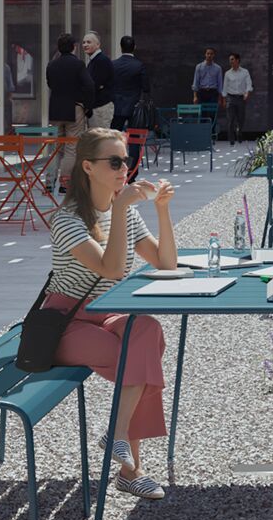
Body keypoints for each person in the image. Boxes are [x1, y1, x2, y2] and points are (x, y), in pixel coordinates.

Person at [40, 129, 178, 499]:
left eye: (127, 160)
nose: (124, 169)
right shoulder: (67, 220)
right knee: (140, 359)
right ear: (88, 166)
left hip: (107, 314)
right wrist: (121, 207)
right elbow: (113, 269)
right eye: (114, 162)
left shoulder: (126, 215)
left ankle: (117, 435)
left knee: (147, 330)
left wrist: (162, 210)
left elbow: (166, 262)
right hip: (66, 322)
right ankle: (130, 470)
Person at [43, 33, 90, 138]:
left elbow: (50, 84)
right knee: (72, 144)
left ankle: (57, 155)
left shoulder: (51, 65)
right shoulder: (79, 64)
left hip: (56, 109)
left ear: (58, 48)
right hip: (74, 107)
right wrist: (88, 106)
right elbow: (88, 85)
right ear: (74, 47)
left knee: (58, 144)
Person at [110, 34, 148, 130]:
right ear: (134, 47)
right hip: (134, 106)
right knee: (134, 137)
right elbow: (146, 87)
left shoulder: (113, 64)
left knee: (115, 136)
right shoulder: (139, 65)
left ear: (121, 47)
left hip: (116, 106)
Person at [81, 31, 116, 129]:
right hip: (97, 106)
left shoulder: (101, 60)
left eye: (89, 42)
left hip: (101, 107)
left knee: (100, 139)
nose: (85, 45)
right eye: (84, 42)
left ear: (98, 44)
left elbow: (94, 84)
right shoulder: (93, 61)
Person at [220, 52, 253, 140]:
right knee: (231, 119)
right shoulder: (227, 73)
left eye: (232, 59)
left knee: (241, 119)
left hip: (240, 98)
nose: (230, 61)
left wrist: (247, 93)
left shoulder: (245, 72)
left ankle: (239, 131)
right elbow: (225, 87)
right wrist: (223, 99)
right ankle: (231, 138)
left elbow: (249, 84)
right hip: (231, 98)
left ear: (237, 60)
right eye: (230, 60)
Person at [192, 47, 224, 123]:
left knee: (212, 114)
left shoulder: (218, 68)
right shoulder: (199, 67)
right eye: (208, 53)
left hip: (213, 93)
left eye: (211, 54)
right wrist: (195, 96)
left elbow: (220, 84)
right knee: (202, 114)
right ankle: (202, 133)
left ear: (214, 55)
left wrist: (220, 99)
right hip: (202, 92)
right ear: (205, 54)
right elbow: (195, 82)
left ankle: (212, 133)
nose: (209, 55)